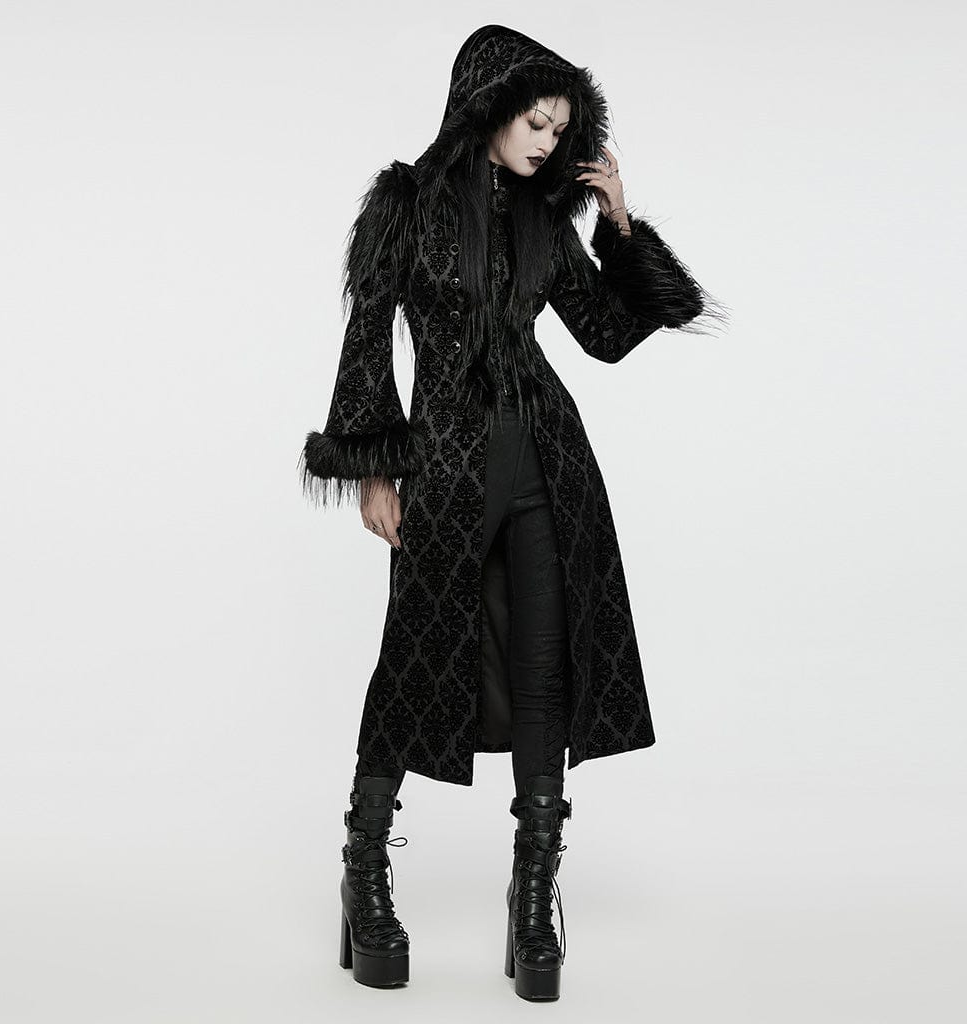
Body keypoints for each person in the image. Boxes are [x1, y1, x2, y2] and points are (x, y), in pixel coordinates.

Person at [298, 24, 727, 1001]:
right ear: (487, 106)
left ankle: (534, 897)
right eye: (534, 121)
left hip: (548, 462)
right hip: (446, 463)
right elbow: (367, 334)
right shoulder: (407, 204)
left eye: (559, 128)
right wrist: (372, 469)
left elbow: (606, 335)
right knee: (411, 661)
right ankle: (364, 873)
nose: (546, 141)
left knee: (543, 671)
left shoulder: (544, 220)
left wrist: (619, 223)